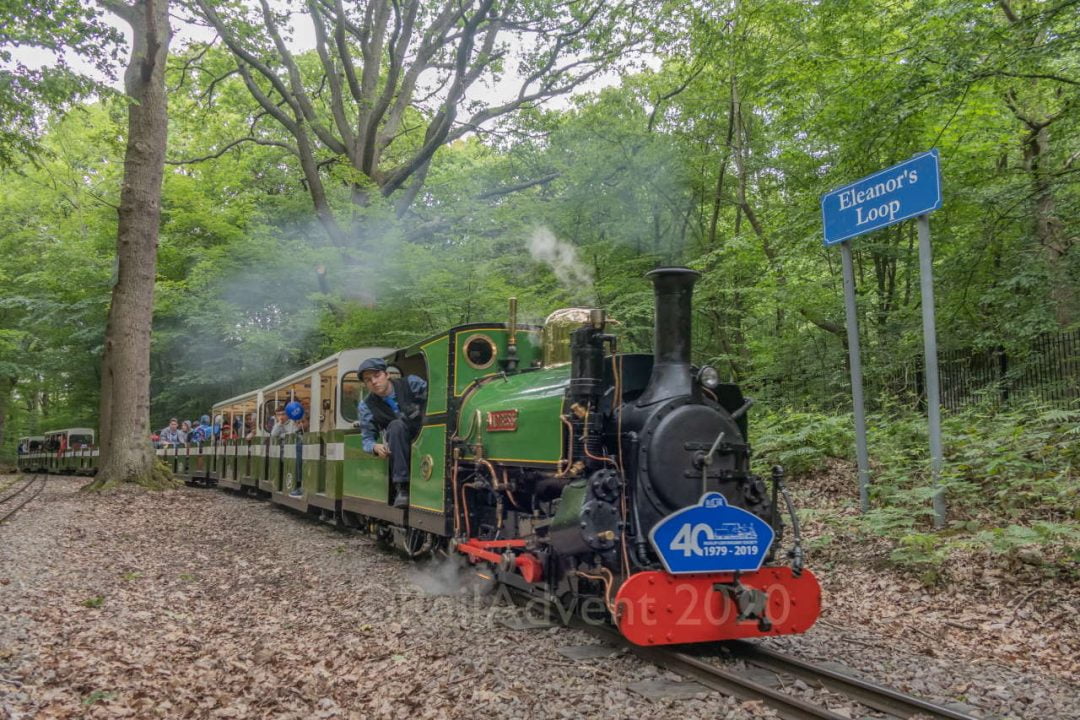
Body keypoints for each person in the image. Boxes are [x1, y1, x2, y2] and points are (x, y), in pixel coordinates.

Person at [357, 357, 427, 508]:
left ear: (387, 375)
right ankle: (402, 487)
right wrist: (375, 447)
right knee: (396, 426)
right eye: (368, 380)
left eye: (377, 376)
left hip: (425, 432)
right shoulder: (366, 406)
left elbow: (436, 398)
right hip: (396, 441)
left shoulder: (411, 383)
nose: (374, 382)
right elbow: (367, 439)